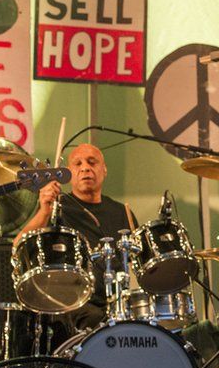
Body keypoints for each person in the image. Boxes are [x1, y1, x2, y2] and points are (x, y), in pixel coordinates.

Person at [15, 143, 137, 339]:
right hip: (74, 303)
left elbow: (138, 265)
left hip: (117, 302)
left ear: (104, 170)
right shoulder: (57, 208)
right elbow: (18, 245)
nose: (85, 168)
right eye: (77, 163)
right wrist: (44, 210)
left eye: (92, 162)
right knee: (97, 321)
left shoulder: (122, 212)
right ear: (68, 173)